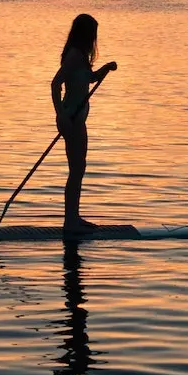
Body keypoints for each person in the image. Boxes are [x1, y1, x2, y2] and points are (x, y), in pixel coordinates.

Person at [51, 13, 118, 233]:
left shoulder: (80, 56)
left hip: (76, 118)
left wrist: (105, 69)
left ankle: (73, 217)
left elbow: (88, 79)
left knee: (78, 169)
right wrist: (61, 116)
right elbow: (55, 84)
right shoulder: (74, 55)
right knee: (77, 169)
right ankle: (70, 222)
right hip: (71, 117)